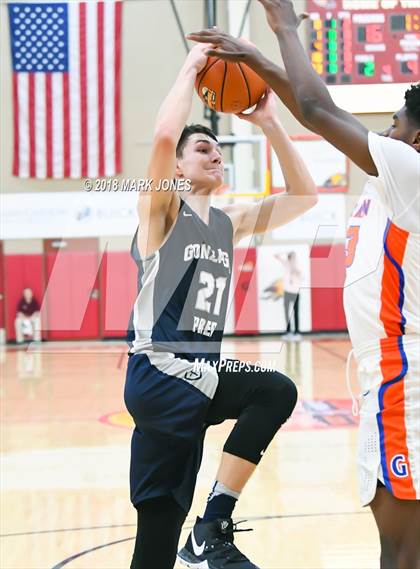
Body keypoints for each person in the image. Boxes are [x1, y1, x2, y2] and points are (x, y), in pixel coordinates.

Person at [187, 4, 420, 568]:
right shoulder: (397, 180)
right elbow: (320, 110)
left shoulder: (411, 174)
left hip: (402, 376)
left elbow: (319, 109)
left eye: (394, 122)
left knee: (402, 549)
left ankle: (203, 531)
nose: (385, 131)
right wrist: (266, 88)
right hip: (388, 370)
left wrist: (281, 29)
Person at [125, 42, 318, 569]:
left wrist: (270, 122)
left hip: (192, 378)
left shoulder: (229, 222)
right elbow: (166, 134)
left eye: (218, 150)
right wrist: (191, 65)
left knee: (160, 523)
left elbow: (305, 197)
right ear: (178, 168)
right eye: (204, 149)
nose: (216, 155)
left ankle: (195, 537)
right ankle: (214, 525)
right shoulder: (160, 213)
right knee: (274, 391)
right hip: (162, 371)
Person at [275, 251, 301, 339]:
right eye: (290, 257)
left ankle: (297, 332)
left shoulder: (297, 267)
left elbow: (299, 275)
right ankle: (288, 331)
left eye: (292, 257)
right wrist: (283, 254)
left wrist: (294, 268)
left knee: (296, 312)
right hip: (287, 292)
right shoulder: (286, 264)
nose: (291, 259)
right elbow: (277, 256)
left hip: (295, 292)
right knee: (287, 312)